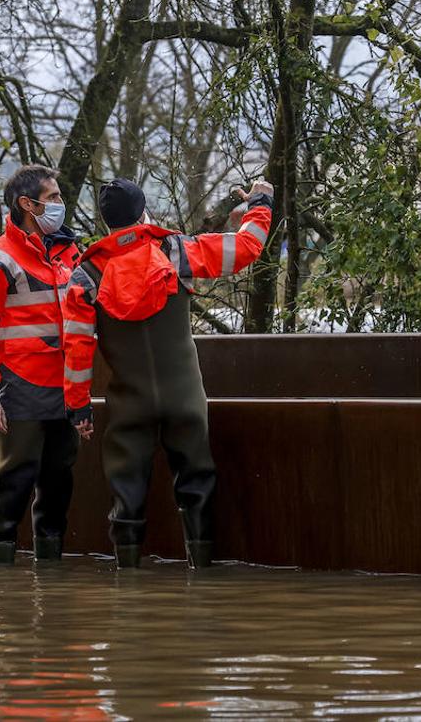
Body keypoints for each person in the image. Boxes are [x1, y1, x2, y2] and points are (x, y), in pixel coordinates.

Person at [60, 178, 273, 569]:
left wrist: (78, 408)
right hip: (185, 399)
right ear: (144, 213)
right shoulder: (176, 251)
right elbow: (247, 248)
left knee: (126, 492)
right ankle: (201, 571)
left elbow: (76, 349)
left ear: (107, 224)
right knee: (196, 481)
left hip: (129, 404)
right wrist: (261, 202)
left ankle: (127, 583)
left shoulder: (84, 276)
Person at [0, 165, 86, 565]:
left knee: (58, 485)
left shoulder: (70, 254)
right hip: (19, 387)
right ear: (27, 205)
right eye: (53, 198)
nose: (61, 206)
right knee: (13, 484)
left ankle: (51, 578)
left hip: (65, 389)